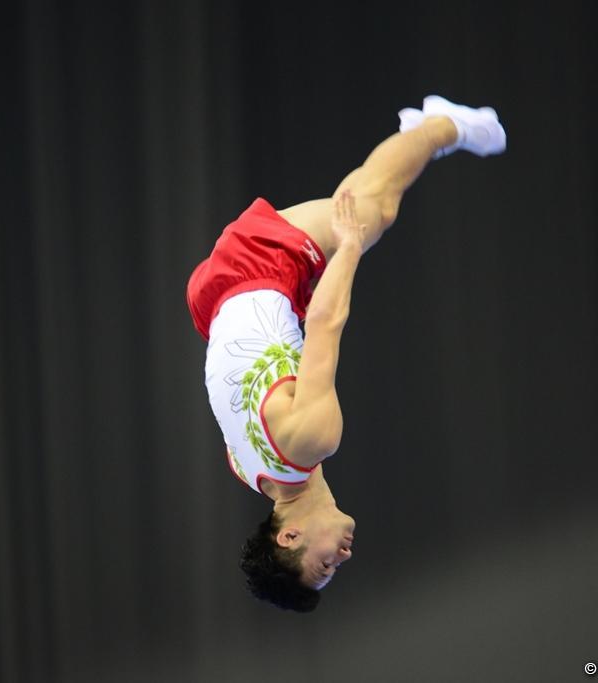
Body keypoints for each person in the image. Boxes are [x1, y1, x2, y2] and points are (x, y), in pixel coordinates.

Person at [186, 95, 507, 611]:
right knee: (370, 204)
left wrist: (349, 249)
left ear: (288, 538)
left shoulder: (311, 442)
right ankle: (422, 131)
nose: (342, 557)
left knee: (370, 211)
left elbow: (326, 324)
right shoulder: (249, 473)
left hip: (258, 268)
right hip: (218, 300)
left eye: (325, 564)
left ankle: (441, 126)